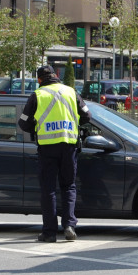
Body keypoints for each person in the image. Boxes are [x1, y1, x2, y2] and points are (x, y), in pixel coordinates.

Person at [18, 65, 91, 243]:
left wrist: (36, 127)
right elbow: (87, 116)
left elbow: (23, 122)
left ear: (39, 80)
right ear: (56, 76)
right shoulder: (71, 91)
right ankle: (69, 226)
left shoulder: (38, 94)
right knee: (68, 186)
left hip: (47, 147)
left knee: (48, 189)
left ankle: (49, 233)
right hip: (69, 145)